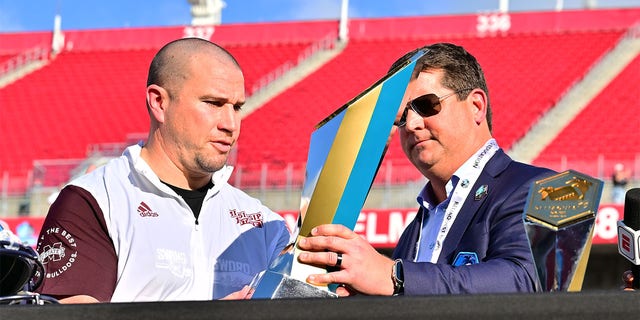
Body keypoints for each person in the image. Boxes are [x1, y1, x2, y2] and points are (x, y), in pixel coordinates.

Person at [35, 38, 291, 303]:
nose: (230, 124)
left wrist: (330, 281)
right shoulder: (95, 201)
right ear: (159, 102)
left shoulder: (264, 224)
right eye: (214, 103)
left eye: (237, 107)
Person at [296, 42, 555, 296]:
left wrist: (395, 276)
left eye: (426, 105)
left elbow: (527, 280)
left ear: (476, 106)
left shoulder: (544, 189)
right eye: (400, 118)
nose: (411, 124)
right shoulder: (414, 231)